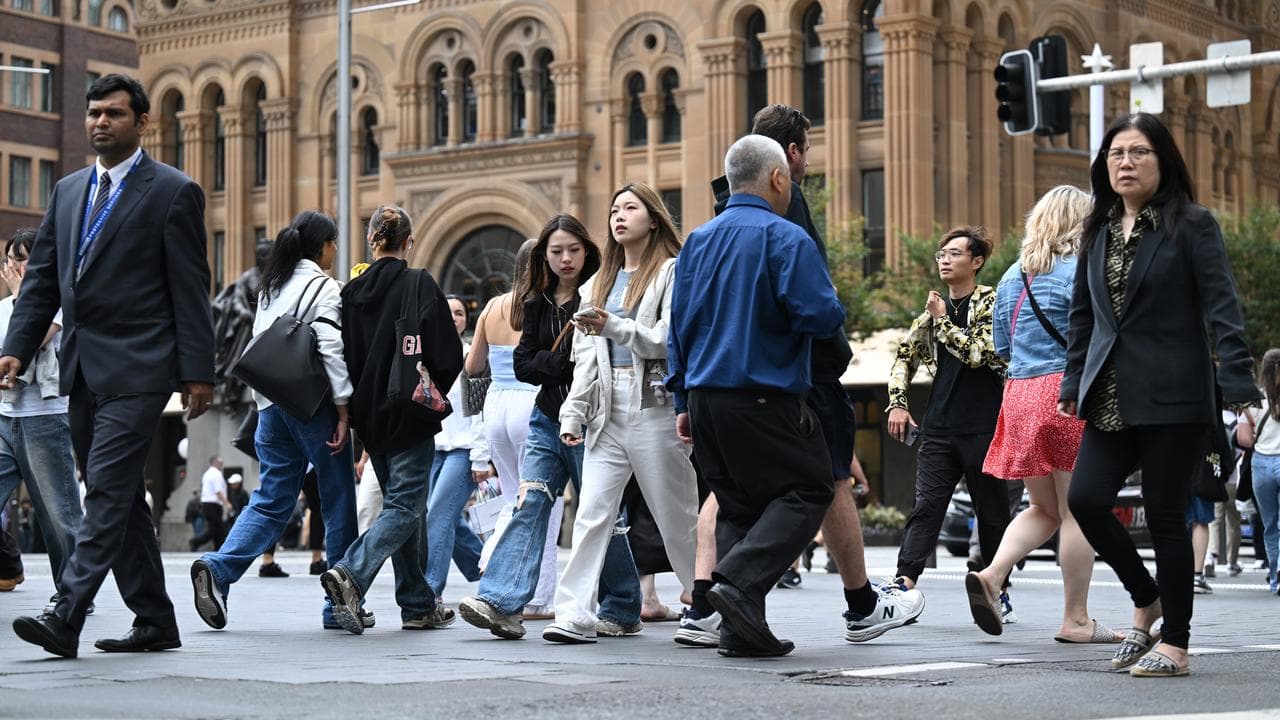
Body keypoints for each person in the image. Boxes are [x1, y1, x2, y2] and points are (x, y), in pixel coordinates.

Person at [6, 74, 214, 658]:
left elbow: (190, 288)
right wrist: (17, 348)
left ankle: (65, 613)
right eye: (94, 112)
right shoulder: (69, 191)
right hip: (80, 370)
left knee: (105, 492)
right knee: (117, 498)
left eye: (115, 114)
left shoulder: (173, 191)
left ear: (141, 122)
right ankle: (155, 619)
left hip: (142, 369)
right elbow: (43, 277)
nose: (101, 122)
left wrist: (198, 371)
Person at [1061, 113, 1259, 678]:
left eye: (1139, 152)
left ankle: (1175, 641)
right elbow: (1084, 317)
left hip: (1174, 392)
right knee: (1087, 500)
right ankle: (1146, 598)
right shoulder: (1096, 229)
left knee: (1168, 518)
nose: (1125, 162)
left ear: (1163, 161)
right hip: (1108, 391)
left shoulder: (1192, 224)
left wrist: (1239, 381)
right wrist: (1075, 381)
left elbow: (1222, 305)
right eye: (1116, 153)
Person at [666, 134, 844, 657]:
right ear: (776, 177)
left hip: (704, 397)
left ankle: (737, 631)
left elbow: (678, 327)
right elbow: (819, 314)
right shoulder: (786, 237)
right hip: (762, 393)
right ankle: (737, 581)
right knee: (810, 487)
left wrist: (682, 402)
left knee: (740, 506)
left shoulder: (697, 241)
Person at [458, 213, 642, 640]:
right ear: (544, 255)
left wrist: (552, 364)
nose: (565, 259)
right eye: (556, 251)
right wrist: (557, 364)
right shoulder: (535, 302)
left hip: (591, 420)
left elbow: (590, 361)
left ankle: (623, 604)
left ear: (587, 252)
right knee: (531, 501)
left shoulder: (600, 297)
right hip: (544, 417)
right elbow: (524, 365)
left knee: (599, 514)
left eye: (573, 250)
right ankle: (501, 601)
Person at [963, 185, 1121, 643]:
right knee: (1078, 512)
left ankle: (991, 575)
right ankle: (1076, 620)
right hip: (1066, 395)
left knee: (1043, 508)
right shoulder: (1083, 270)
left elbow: (1001, 347)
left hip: (1019, 396)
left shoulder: (1013, 276)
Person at [190, 210, 361, 632]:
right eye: (334, 243)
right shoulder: (323, 285)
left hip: (268, 406)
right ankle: (338, 606)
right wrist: (343, 406)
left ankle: (219, 567)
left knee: (270, 499)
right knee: (338, 499)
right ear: (321, 245)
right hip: (312, 404)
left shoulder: (272, 285)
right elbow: (329, 345)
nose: (335, 251)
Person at [544, 182, 699, 644]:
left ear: (653, 218)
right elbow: (585, 359)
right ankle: (573, 613)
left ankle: (706, 602)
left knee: (676, 515)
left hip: (654, 403)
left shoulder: (671, 273)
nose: (619, 216)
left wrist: (615, 326)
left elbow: (668, 340)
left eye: (630, 208)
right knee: (592, 512)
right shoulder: (597, 283)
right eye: (614, 209)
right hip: (604, 409)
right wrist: (572, 415)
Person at [321, 205, 463, 634]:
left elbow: (339, 353)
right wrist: (430, 386)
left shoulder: (350, 291)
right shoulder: (418, 282)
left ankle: (418, 604)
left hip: (367, 415)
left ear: (372, 241)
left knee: (408, 507)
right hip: (408, 411)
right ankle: (351, 572)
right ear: (409, 242)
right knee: (405, 506)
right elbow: (446, 352)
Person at [886, 225, 1011, 618]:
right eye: (942, 252)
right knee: (926, 507)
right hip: (939, 427)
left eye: (955, 253)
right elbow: (905, 355)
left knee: (992, 515)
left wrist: (941, 320)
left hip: (986, 427)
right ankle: (903, 584)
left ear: (976, 262)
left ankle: (995, 588)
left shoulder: (991, 302)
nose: (944, 258)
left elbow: (979, 353)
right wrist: (898, 403)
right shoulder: (932, 311)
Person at [465, 239, 561, 616]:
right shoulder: (546, 308)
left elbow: (473, 367)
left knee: (512, 498)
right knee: (544, 502)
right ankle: (538, 597)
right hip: (532, 402)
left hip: (496, 405)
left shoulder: (492, 306)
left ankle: (502, 568)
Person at [0, 228, 83, 614]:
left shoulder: (58, 302)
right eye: (11, 259)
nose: (15, 266)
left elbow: (30, 338)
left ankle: (74, 592)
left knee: (59, 514)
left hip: (45, 418)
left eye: (24, 259)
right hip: (4, 417)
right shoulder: (4, 307)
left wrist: (21, 296)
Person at [424, 295, 491, 599]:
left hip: (464, 449)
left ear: (467, 320)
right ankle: (488, 568)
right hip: (432, 447)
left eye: (460, 313)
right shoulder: (425, 356)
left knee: (438, 513)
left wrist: (480, 458)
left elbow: (479, 409)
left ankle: (430, 593)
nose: (452, 318)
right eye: (447, 312)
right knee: (438, 513)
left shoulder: (473, 357)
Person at [1237, 349, 1280, 595]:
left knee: (1270, 524)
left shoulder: (1254, 401)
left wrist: (1260, 438)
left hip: (1262, 464)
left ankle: (1275, 578)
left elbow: (1243, 438)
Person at [189, 456, 232, 551]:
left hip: (208, 505)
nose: (222, 465)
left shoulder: (207, 474)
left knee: (218, 528)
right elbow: (218, 491)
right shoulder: (216, 474)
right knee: (215, 528)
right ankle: (196, 541)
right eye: (221, 463)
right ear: (215, 463)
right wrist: (227, 503)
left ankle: (218, 548)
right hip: (213, 505)